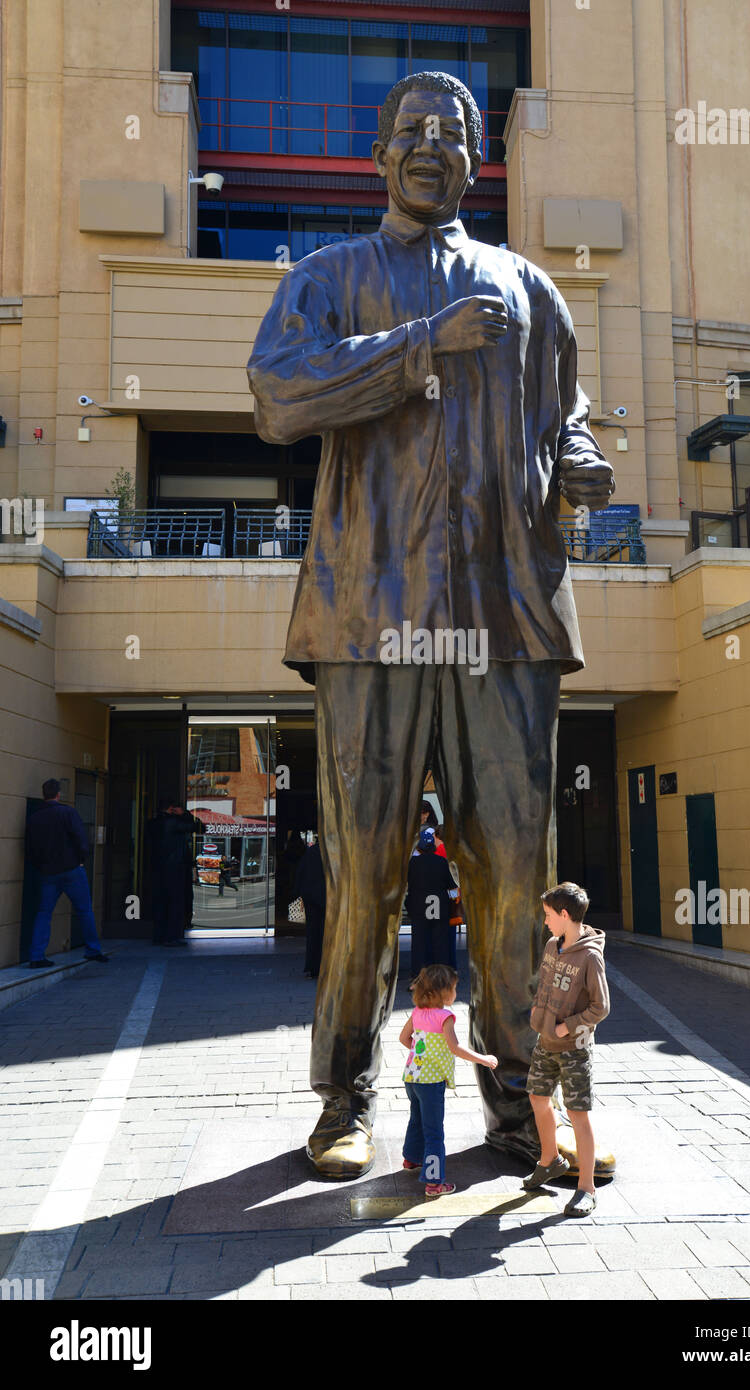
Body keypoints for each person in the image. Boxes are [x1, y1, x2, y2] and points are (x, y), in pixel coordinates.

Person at [248, 69, 615, 1179]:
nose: (430, 148)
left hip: (503, 622)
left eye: (451, 134)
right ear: (379, 156)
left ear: (475, 158)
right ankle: (343, 1102)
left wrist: (580, 467)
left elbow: (567, 418)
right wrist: (423, 344)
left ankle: (522, 1115)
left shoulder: (530, 289)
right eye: (409, 133)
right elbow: (279, 397)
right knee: (365, 871)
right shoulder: (330, 277)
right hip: (373, 619)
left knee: (516, 871)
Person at [522, 882, 610, 1217]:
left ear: (564, 915)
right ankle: (549, 1160)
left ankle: (586, 1188)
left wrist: (566, 1026)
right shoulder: (551, 945)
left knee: (578, 1116)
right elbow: (543, 983)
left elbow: (601, 1007)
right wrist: (537, 1010)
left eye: (547, 915)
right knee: (537, 1097)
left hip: (574, 1049)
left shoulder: (589, 956)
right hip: (545, 1042)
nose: (544, 921)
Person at [399, 963, 497, 1197]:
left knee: (416, 1119)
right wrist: (484, 1059)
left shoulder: (417, 1012)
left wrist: (421, 1050)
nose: (455, 993)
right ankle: (434, 1182)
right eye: (453, 989)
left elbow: (404, 1038)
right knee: (434, 1132)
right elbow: (455, 1048)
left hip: (412, 1076)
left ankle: (411, 1159)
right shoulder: (446, 1016)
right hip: (431, 1083)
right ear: (441, 992)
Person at [25, 778, 109, 966]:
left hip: (48, 872)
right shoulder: (68, 813)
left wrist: (42, 866)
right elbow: (81, 840)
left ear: (43, 794)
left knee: (44, 913)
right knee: (85, 910)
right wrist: (80, 860)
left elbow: (30, 848)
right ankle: (93, 950)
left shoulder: (35, 818)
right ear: (58, 794)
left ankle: (36, 956)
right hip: (71, 870)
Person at [406, 827, 458, 976]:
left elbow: (407, 883)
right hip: (439, 907)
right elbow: (452, 886)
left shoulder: (413, 863)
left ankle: (418, 977)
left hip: (418, 907)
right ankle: (442, 977)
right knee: (440, 944)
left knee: (419, 944)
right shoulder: (442, 862)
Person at [147, 800, 196, 945]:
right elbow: (199, 827)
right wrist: (185, 814)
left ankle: (159, 936)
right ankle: (171, 937)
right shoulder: (174, 822)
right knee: (175, 903)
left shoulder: (152, 823)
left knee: (160, 902)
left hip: (157, 867)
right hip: (174, 868)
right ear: (172, 809)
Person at [296, 836, 326, 978]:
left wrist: (301, 893)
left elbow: (300, 874)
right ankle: (324, 964)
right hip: (325, 898)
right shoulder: (331, 853)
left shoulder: (310, 852)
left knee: (312, 933)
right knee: (324, 933)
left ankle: (313, 966)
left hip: (311, 898)